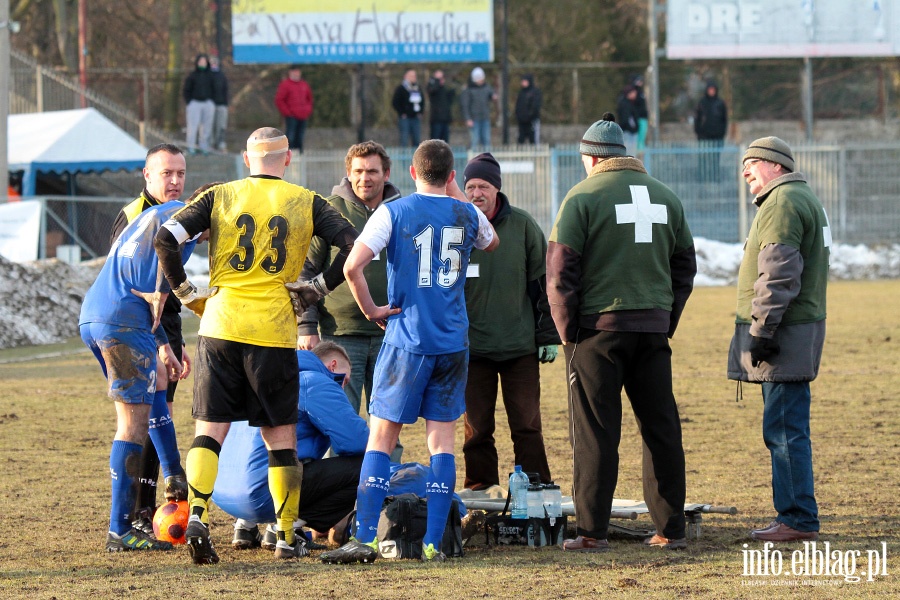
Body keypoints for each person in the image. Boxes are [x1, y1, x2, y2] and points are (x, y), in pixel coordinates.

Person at [153, 127, 357, 564]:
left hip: (221, 325)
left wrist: (188, 295)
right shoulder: (308, 200)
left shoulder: (219, 195)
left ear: (246, 160)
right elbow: (353, 246)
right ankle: (284, 535)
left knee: (209, 431)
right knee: (279, 439)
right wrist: (318, 287)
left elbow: (165, 240)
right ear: (287, 161)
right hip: (273, 331)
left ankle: (199, 517)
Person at [320, 139, 499, 565]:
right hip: (453, 342)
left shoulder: (393, 210)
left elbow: (351, 266)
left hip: (407, 341)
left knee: (382, 437)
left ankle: (363, 539)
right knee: (443, 442)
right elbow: (490, 243)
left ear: (413, 173)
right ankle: (434, 543)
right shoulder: (468, 211)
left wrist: (372, 309)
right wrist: (457, 197)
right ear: (452, 176)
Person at [547, 113, 696, 552]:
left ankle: (592, 531)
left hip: (597, 332)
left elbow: (560, 272)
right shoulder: (665, 196)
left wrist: (567, 332)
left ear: (590, 158)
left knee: (595, 431)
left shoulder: (582, 196)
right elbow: (685, 266)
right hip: (651, 331)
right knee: (661, 428)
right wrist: (665, 319)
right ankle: (671, 530)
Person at [80, 192, 205, 553]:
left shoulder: (156, 213)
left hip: (98, 312)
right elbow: (161, 280)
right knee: (131, 423)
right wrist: (168, 294)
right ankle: (120, 529)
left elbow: (143, 283)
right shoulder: (188, 224)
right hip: (123, 322)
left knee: (158, 384)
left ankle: (173, 471)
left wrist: (164, 344)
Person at [728, 137, 829, 543]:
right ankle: (796, 515)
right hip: (795, 333)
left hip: (782, 336)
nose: (746, 171)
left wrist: (762, 332)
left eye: (752, 163)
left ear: (777, 166)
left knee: (784, 432)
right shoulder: (801, 198)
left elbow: (779, 274)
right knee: (788, 428)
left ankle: (797, 519)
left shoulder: (783, 203)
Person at [460, 153, 558, 491]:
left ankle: (535, 487)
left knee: (527, 424)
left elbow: (544, 284)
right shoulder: (456, 228)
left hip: (520, 347)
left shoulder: (524, 226)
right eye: (470, 186)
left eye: (483, 186)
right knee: (476, 428)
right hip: (472, 350)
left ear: (497, 189)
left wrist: (547, 335)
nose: (476, 193)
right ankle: (480, 488)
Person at [215, 342, 368, 551]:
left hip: (223, 491)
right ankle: (287, 526)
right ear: (332, 366)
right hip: (263, 494)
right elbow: (357, 442)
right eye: (344, 380)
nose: (342, 387)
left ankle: (245, 526)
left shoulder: (261, 375)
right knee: (365, 468)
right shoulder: (314, 382)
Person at [109, 143, 189, 537]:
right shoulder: (132, 217)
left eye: (180, 174)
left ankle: (154, 507)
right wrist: (158, 342)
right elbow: (126, 285)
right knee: (141, 418)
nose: (174, 181)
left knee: (162, 416)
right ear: (147, 175)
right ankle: (136, 514)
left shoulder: (181, 214)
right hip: (134, 329)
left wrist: (176, 340)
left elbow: (169, 290)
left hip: (163, 327)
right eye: (166, 173)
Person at [297, 142, 401, 423]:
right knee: (339, 417)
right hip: (340, 334)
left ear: (386, 173)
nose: (364, 178)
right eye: (358, 171)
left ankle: (387, 469)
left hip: (391, 334)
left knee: (389, 417)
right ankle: (344, 469)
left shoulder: (403, 211)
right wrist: (306, 325)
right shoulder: (328, 212)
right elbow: (306, 270)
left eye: (372, 171)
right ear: (348, 173)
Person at [275, 65, 314, 152]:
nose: (297, 74)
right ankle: (289, 154)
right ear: (290, 72)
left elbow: (309, 99)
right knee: (291, 137)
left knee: (300, 137)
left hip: (303, 115)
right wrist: (288, 113)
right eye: (295, 72)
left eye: (298, 72)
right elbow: (279, 100)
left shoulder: (304, 84)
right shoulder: (285, 85)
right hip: (291, 116)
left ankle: (299, 155)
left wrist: (307, 110)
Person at [694, 81, 728, 181]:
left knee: (715, 159)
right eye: (710, 89)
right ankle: (702, 178)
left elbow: (724, 120)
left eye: (713, 89)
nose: (711, 91)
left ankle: (715, 177)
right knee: (703, 159)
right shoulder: (702, 103)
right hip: (704, 137)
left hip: (717, 136)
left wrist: (721, 133)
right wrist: (699, 132)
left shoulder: (720, 103)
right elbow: (697, 119)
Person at [182, 53, 216, 154]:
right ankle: (190, 147)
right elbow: (186, 90)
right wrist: (189, 101)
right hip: (195, 103)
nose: (202, 63)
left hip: (207, 103)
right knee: (193, 126)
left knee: (206, 127)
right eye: (200, 61)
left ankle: (204, 147)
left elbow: (215, 89)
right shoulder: (192, 76)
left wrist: (212, 101)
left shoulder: (211, 76)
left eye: (204, 61)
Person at [460, 67, 496, 149]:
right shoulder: (468, 89)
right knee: (475, 140)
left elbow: (491, 94)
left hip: (485, 117)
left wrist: (493, 96)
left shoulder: (486, 87)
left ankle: (488, 159)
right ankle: (474, 158)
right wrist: (468, 118)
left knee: (486, 140)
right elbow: (465, 105)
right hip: (474, 119)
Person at [392, 69, 424, 147]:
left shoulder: (417, 88)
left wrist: (420, 112)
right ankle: (403, 159)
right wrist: (402, 113)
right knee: (404, 139)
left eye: (415, 75)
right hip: (405, 118)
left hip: (415, 117)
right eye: (412, 76)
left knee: (417, 140)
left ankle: (417, 159)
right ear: (406, 77)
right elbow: (395, 102)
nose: (414, 77)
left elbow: (422, 101)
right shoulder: (401, 88)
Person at [427, 70, 455, 143]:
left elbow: (448, 102)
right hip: (436, 119)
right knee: (435, 142)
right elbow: (432, 90)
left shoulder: (444, 89)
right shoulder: (432, 87)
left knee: (445, 142)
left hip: (445, 119)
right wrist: (436, 81)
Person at [209, 55, 230, 152]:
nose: (214, 64)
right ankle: (211, 144)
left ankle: (220, 143)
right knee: (210, 125)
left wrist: (225, 103)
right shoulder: (207, 75)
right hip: (210, 104)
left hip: (221, 104)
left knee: (221, 125)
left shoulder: (222, 75)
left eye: (215, 62)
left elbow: (225, 90)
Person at [514, 74, 542, 144]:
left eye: (525, 81)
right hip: (522, 122)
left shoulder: (535, 92)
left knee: (533, 140)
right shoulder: (521, 93)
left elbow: (535, 106)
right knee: (520, 140)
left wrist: (530, 116)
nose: (523, 83)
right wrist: (519, 116)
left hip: (532, 121)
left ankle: (536, 154)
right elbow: (518, 106)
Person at [616, 86, 640, 156]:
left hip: (628, 130)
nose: (635, 94)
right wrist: (632, 129)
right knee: (630, 152)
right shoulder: (625, 104)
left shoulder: (628, 103)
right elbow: (626, 118)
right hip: (628, 132)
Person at [630, 75, 649, 151]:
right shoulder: (634, 92)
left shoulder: (641, 92)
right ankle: (638, 151)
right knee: (638, 138)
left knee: (642, 137)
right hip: (638, 118)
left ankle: (640, 150)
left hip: (643, 117)